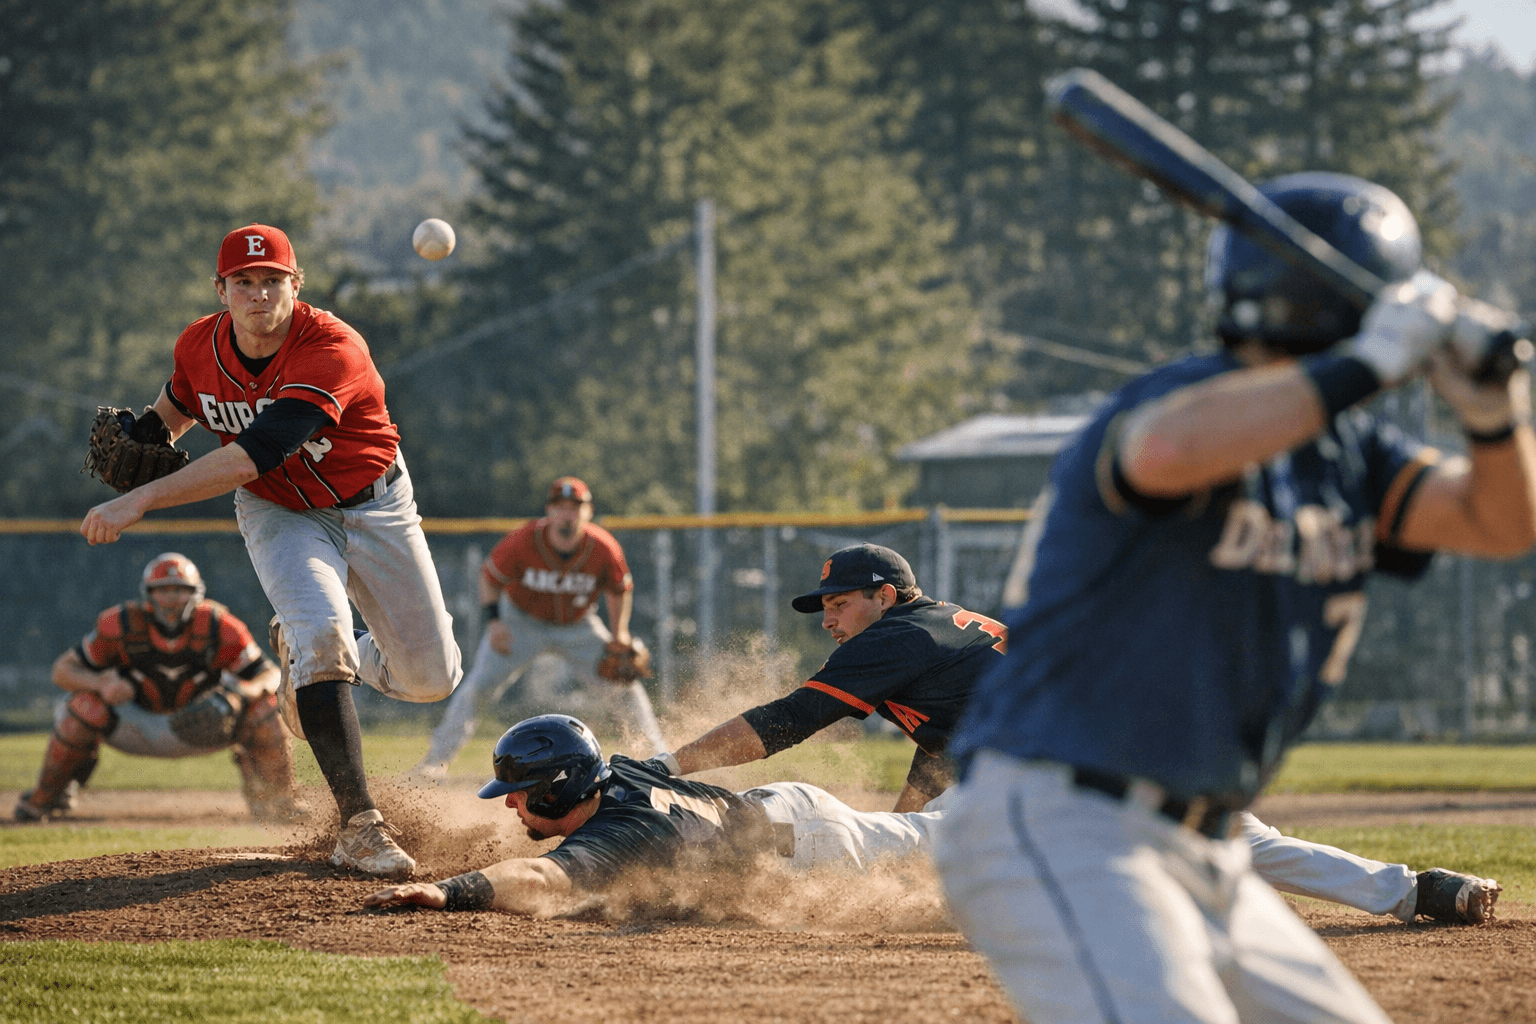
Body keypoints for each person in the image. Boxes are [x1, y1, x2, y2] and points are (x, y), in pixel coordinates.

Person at [933, 172, 1536, 1024]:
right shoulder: (1178, 399)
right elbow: (1166, 453)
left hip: (1208, 842)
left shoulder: (1348, 452)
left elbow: (1498, 522)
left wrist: (1493, 417)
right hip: (1063, 819)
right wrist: (1367, 363)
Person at [79, 224, 462, 878]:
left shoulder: (332, 347)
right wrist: (143, 435)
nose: (259, 295)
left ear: (295, 285)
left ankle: (313, 659)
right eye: (245, 282)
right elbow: (177, 410)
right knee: (322, 637)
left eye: (273, 281)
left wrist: (139, 501)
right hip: (281, 512)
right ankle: (359, 826)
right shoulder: (199, 344)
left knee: (431, 679)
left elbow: (256, 452)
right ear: (221, 289)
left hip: (373, 503)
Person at [366, 714, 941, 914]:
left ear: (560, 789)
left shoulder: (622, 833)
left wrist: (448, 892)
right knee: (929, 836)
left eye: (520, 791)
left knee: (945, 845)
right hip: (785, 812)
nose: (511, 803)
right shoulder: (613, 771)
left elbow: (541, 876)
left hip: (812, 844)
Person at [657, 544, 1007, 812]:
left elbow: (792, 718)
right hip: (1043, 756)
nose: (827, 621)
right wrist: (904, 821)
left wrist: (665, 766)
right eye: (826, 608)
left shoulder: (892, 637)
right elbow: (945, 743)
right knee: (913, 843)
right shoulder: (936, 625)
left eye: (839, 604)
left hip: (1041, 770)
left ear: (885, 597)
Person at [14, 553, 304, 823]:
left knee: (266, 709)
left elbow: (269, 675)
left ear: (195, 594)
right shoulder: (120, 624)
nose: (171, 599)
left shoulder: (219, 625)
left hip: (206, 723)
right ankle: (46, 796)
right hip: (133, 723)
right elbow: (62, 671)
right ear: (148, 594)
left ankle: (279, 799)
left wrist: (240, 694)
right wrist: (100, 683)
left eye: (180, 590)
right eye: (163, 590)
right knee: (81, 708)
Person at [413, 476, 661, 776]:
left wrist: (620, 631)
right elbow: (489, 578)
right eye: (560, 506)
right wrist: (494, 622)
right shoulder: (524, 540)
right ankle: (435, 762)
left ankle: (655, 759)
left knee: (625, 687)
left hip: (578, 625)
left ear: (588, 511)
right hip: (521, 622)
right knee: (478, 687)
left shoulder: (603, 547)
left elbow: (620, 588)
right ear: (549, 511)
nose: (567, 514)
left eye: (575, 507)